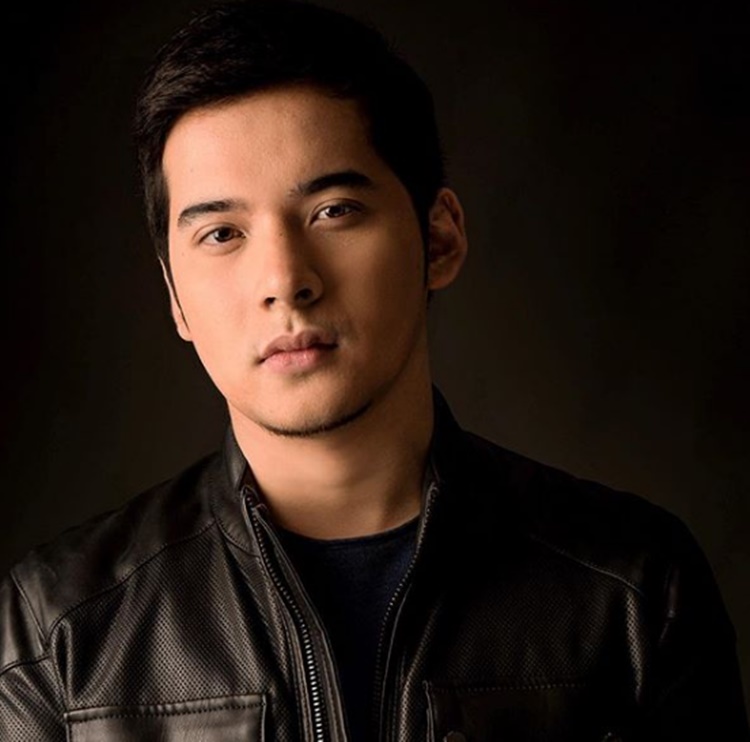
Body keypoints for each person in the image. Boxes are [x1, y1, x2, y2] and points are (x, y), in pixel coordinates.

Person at [1, 0, 747, 739]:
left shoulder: (634, 594)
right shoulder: (57, 632)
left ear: (440, 239)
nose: (284, 280)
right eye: (222, 233)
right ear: (175, 298)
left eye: (333, 211)